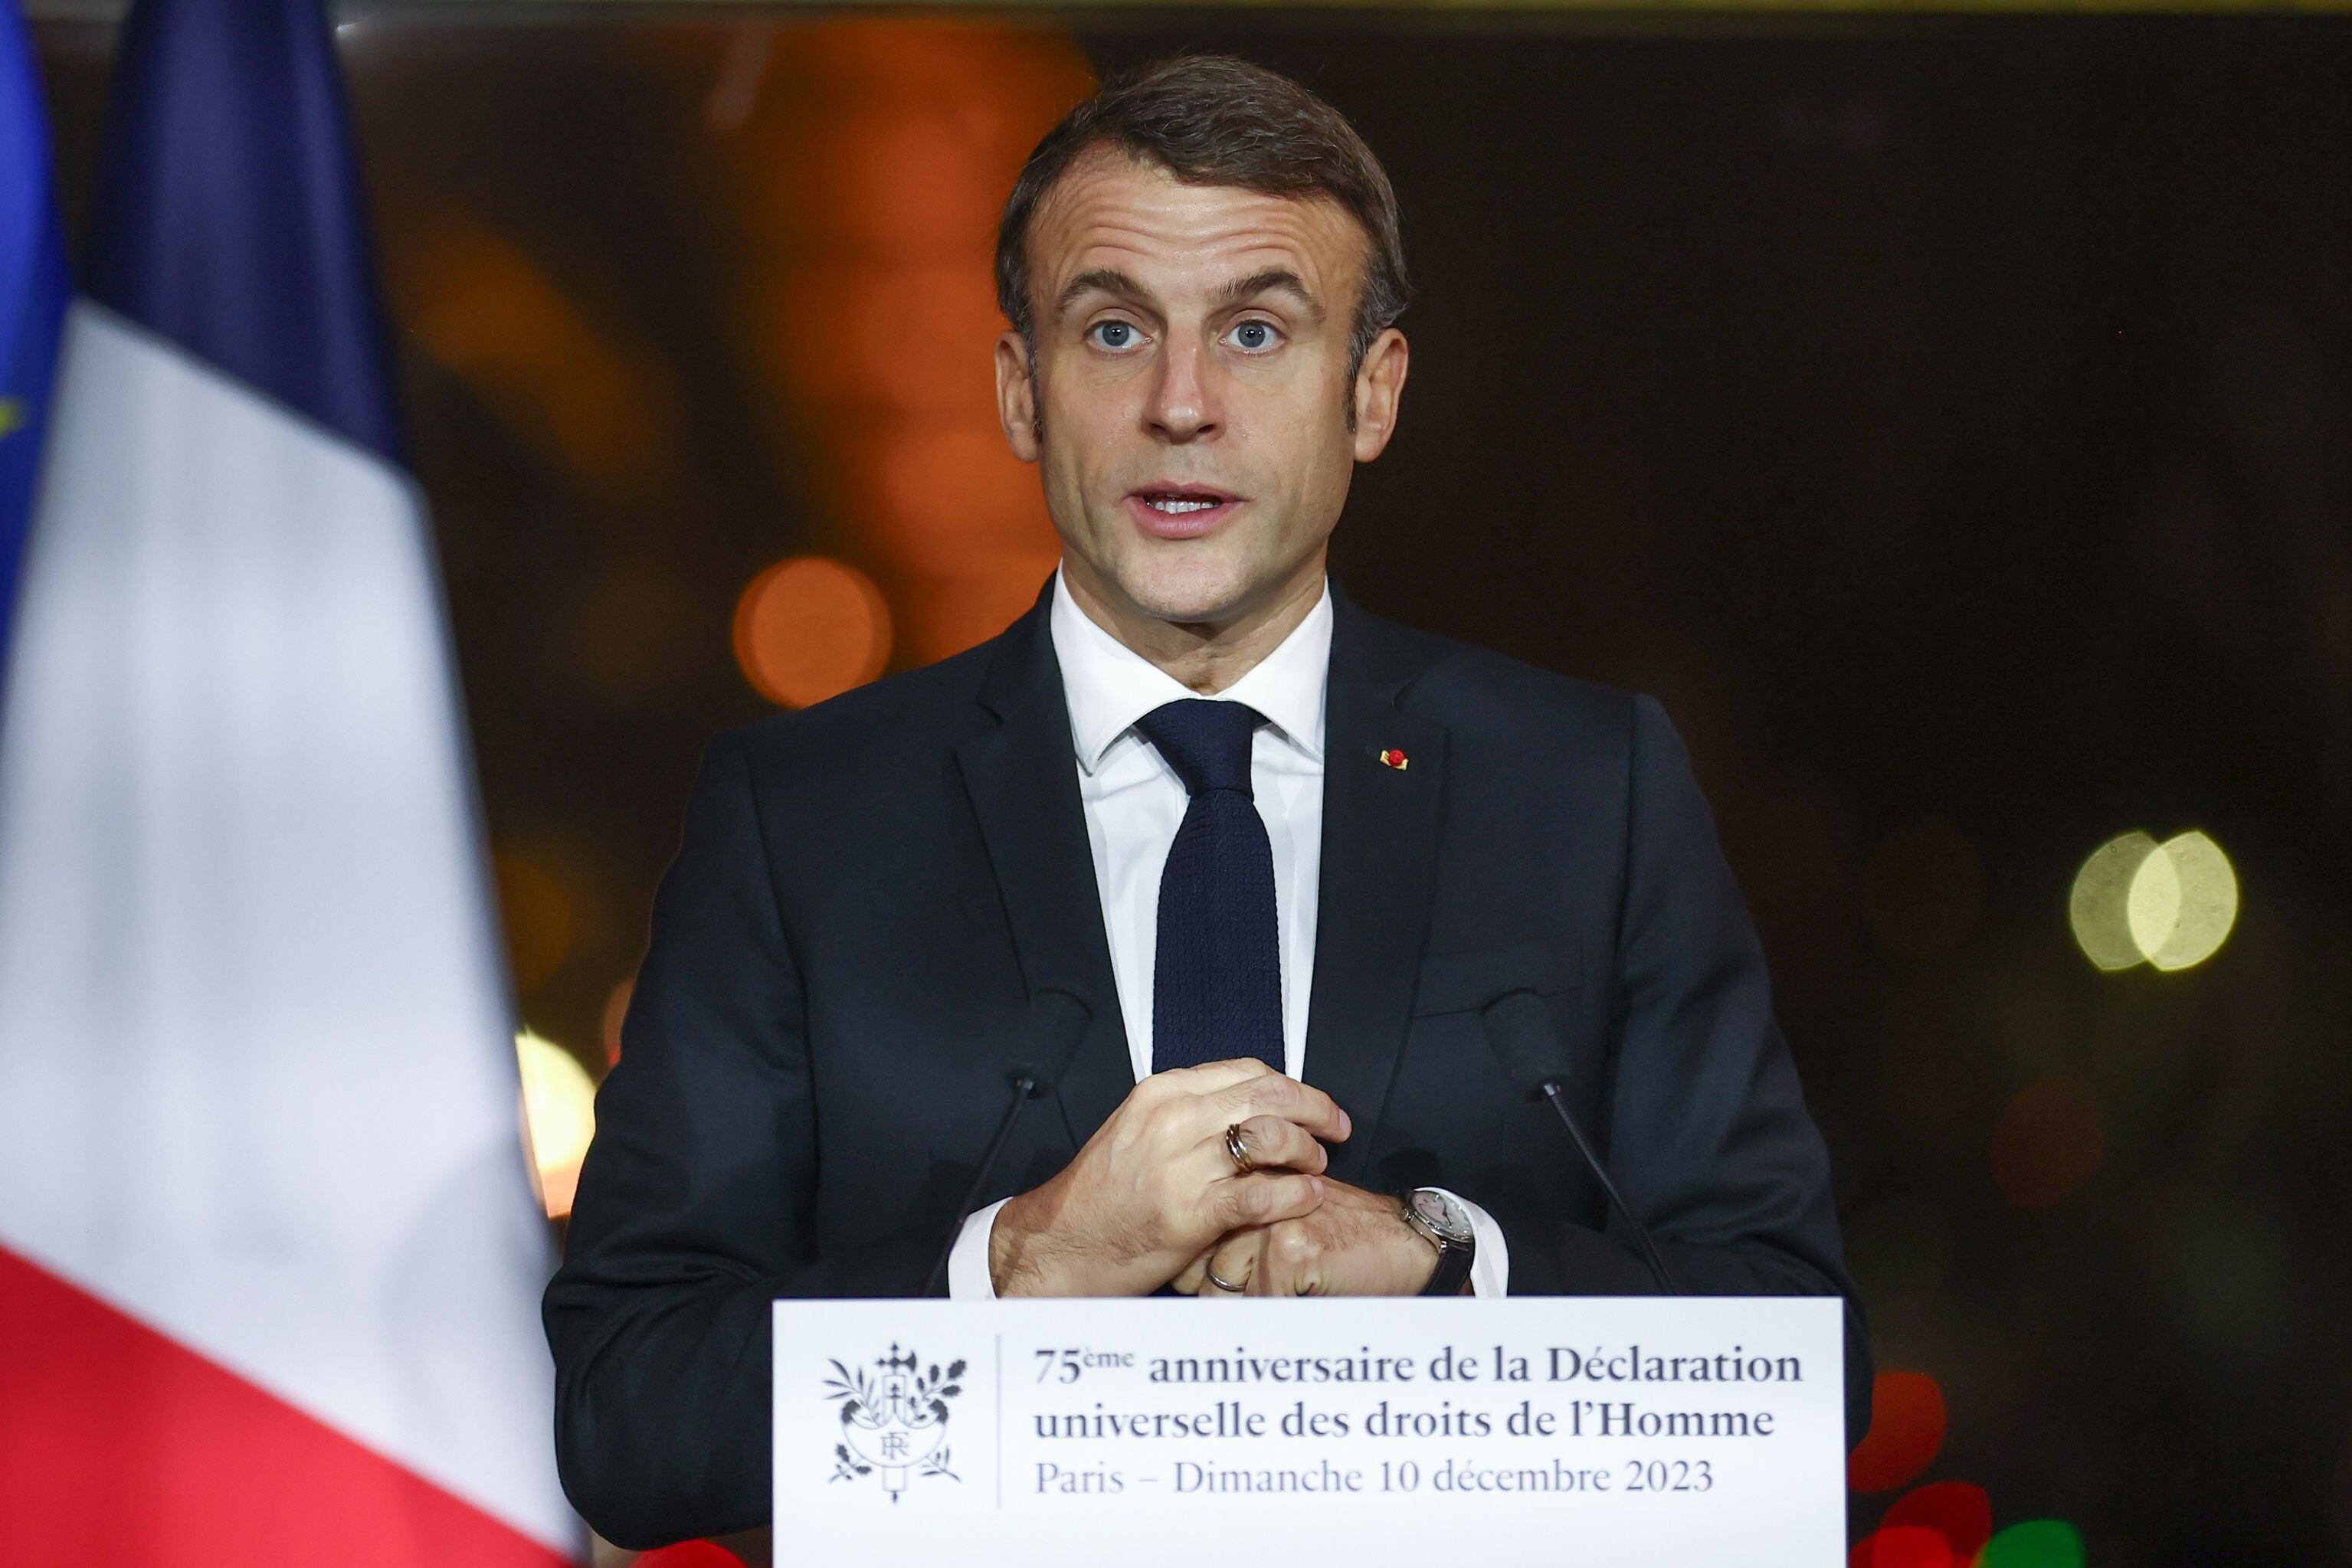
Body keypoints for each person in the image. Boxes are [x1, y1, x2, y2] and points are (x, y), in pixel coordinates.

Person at [545, 53, 1869, 1552]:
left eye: (1255, 329)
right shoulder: (799, 823)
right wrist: (1023, 1267)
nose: (1181, 404)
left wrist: (1448, 1269)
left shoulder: (1585, 791)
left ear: (1369, 394)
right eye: (1112, 330)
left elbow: (1799, 1373)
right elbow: (623, 1406)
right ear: (1018, 392)